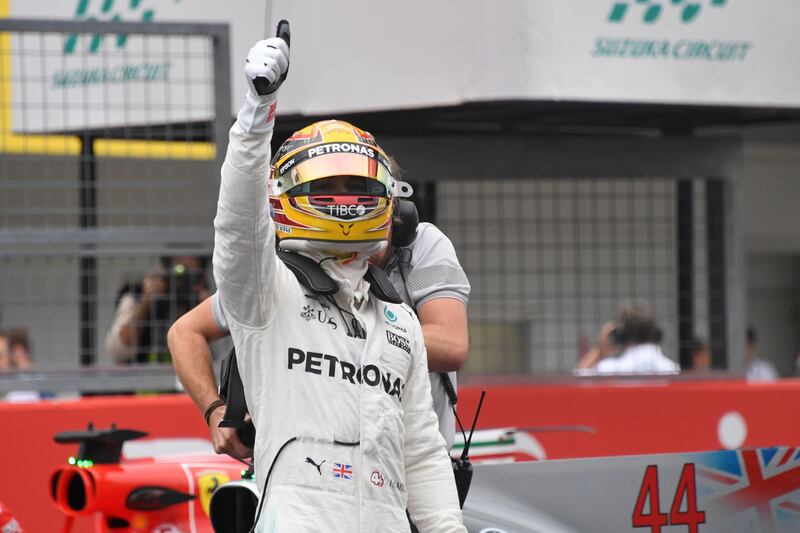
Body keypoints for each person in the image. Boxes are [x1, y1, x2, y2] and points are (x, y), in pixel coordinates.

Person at [173, 35, 465, 531]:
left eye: (357, 185)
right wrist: (256, 111)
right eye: (326, 186)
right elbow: (238, 227)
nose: (344, 199)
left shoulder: (399, 320)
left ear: (389, 197)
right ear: (286, 193)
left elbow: (422, 455)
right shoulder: (266, 293)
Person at [105, 256, 210, 364]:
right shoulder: (137, 296)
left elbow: (214, 355)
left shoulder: (201, 300)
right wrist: (146, 301)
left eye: (191, 275)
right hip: (143, 377)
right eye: (179, 272)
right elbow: (118, 350)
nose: (182, 281)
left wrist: (205, 311)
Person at [591, 304, 679, 374]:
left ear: (621, 336)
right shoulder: (673, 369)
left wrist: (600, 349)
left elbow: (579, 379)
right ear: (656, 334)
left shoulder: (607, 370)